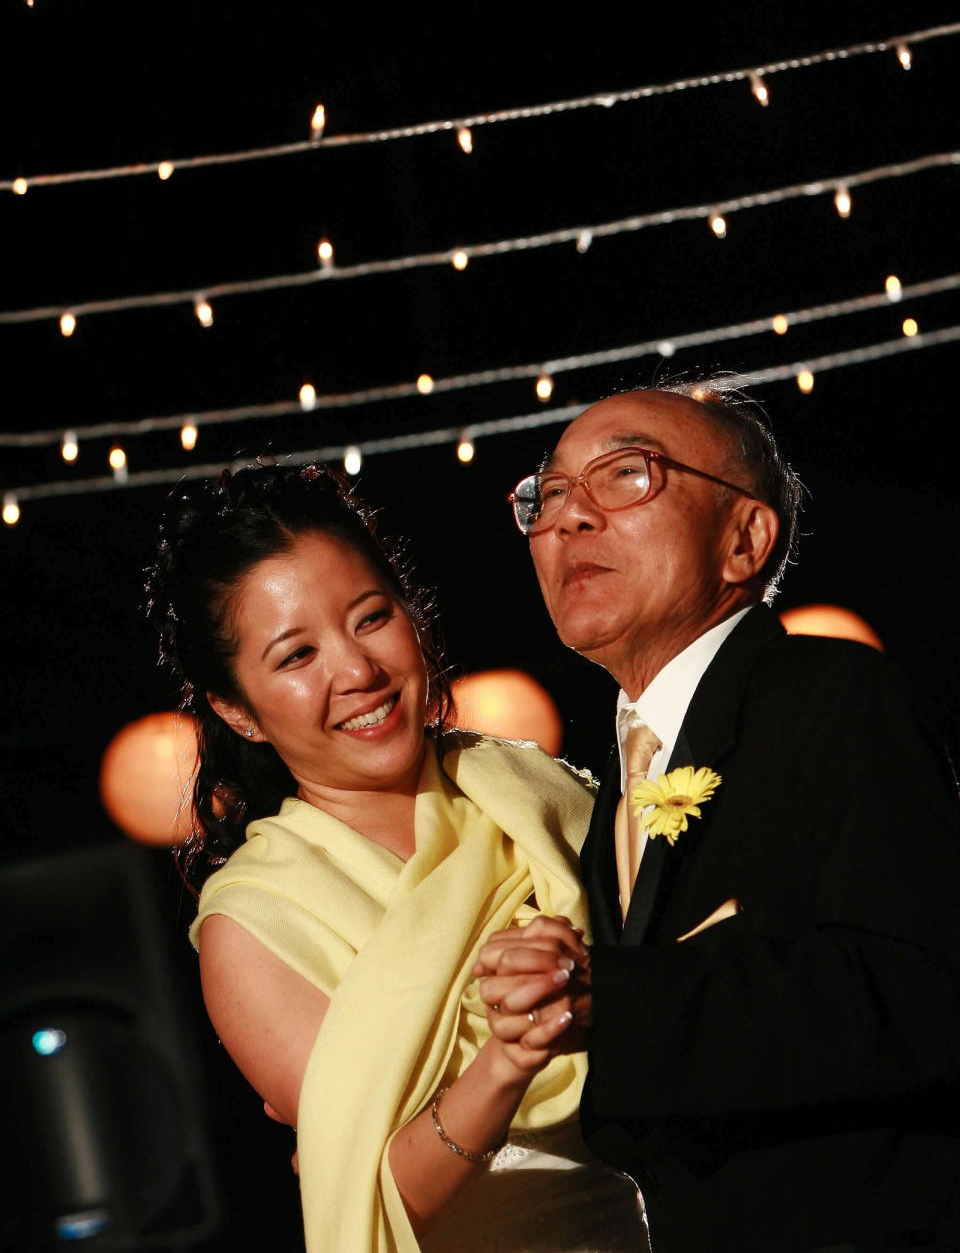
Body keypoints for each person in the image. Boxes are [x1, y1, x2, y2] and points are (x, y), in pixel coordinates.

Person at [476, 377, 960, 1253]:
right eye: (547, 495)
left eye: (626, 474)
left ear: (744, 539)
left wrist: (609, 1002)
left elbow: (917, 992)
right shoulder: (610, 783)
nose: (568, 518)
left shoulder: (832, 697)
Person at [143, 459, 648, 1253]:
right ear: (238, 710)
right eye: (296, 657)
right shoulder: (256, 926)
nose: (358, 671)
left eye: (371, 618)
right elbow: (376, 1195)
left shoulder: (527, 785)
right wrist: (509, 1059)